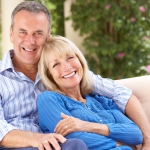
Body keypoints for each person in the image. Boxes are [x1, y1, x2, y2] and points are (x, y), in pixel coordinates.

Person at [0, 1, 150, 150]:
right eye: (22, 32)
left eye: (38, 33)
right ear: (11, 34)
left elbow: (122, 94)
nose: (30, 40)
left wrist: (148, 142)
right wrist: (38, 139)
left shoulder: (63, 74)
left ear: (48, 36)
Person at [37, 35, 143, 150]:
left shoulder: (102, 100)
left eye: (70, 57)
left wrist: (86, 126)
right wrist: (120, 142)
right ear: (49, 75)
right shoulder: (48, 100)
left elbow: (136, 134)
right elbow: (73, 139)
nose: (67, 67)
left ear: (80, 60)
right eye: (56, 64)